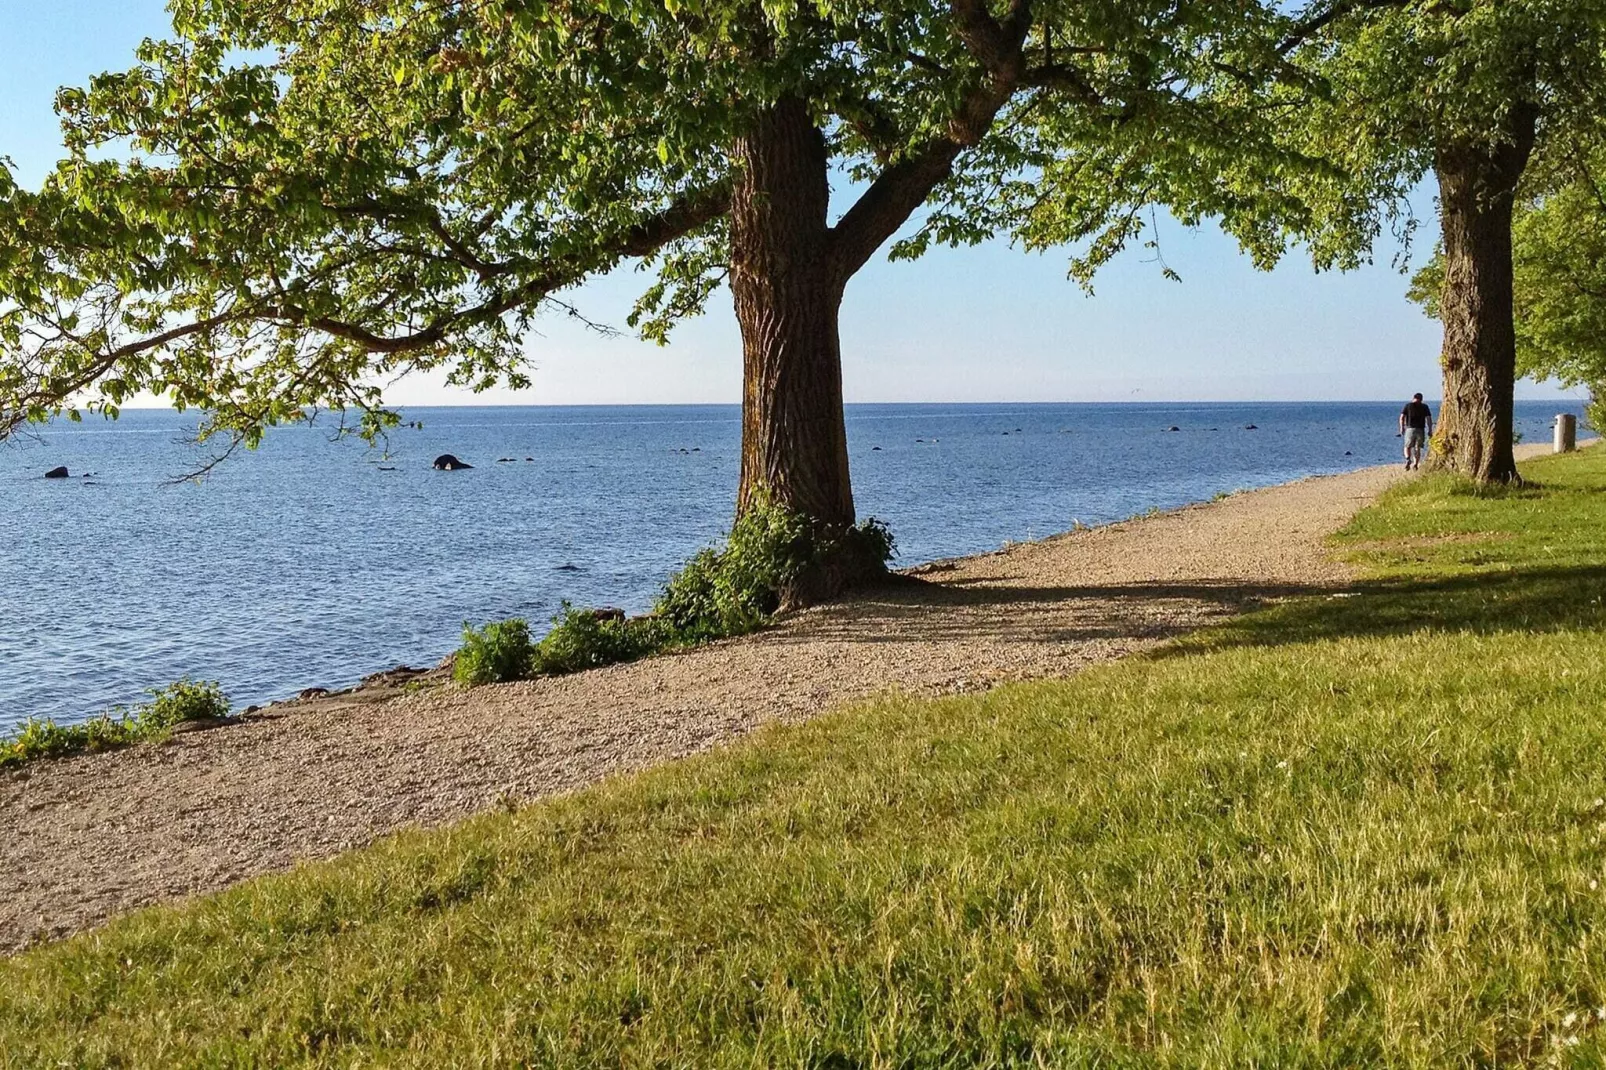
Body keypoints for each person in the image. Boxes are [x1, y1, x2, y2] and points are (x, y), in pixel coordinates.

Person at [1398, 393, 1434, 470]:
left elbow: (1402, 417)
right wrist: (1430, 430)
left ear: (1413, 398)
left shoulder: (1408, 406)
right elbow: (1429, 419)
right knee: (1417, 448)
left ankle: (1408, 459)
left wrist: (1402, 427)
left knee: (1407, 446)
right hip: (1420, 429)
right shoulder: (1424, 407)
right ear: (1421, 399)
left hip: (1410, 429)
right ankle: (1415, 464)